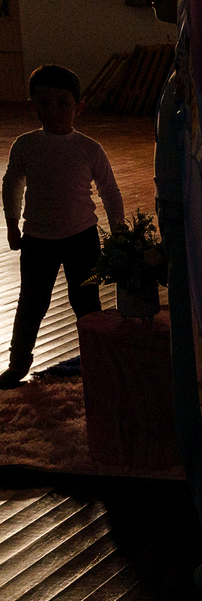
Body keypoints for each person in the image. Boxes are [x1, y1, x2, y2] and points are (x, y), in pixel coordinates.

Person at [1, 64, 125, 389]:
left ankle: (96, 360)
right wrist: (12, 224)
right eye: (44, 103)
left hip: (83, 239)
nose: (53, 111)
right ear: (33, 106)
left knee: (87, 302)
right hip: (37, 241)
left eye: (62, 103)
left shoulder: (89, 148)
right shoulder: (26, 145)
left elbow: (110, 191)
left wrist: (120, 234)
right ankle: (17, 365)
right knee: (31, 303)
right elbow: (12, 184)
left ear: (78, 107)